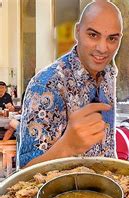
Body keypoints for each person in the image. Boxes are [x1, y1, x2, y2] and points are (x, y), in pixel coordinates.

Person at [18, 0, 123, 167]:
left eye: (112, 38)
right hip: (62, 192)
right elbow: (25, 173)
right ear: (77, 31)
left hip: (105, 189)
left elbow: (106, 146)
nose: (103, 48)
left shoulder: (109, 72)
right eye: (93, 35)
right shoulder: (46, 85)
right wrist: (67, 146)